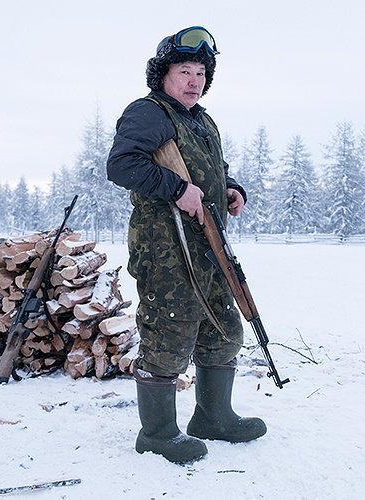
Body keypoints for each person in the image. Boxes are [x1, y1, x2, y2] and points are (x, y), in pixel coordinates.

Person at [106, 26, 266, 465]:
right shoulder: (149, 112)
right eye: (184, 70)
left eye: (200, 72)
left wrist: (230, 188)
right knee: (169, 330)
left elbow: (212, 169)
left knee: (223, 327)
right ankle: (157, 433)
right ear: (164, 74)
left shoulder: (202, 118)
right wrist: (176, 189)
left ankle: (213, 417)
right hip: (165, 247)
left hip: (209, 244)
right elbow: (121, 166)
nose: (193, 80)